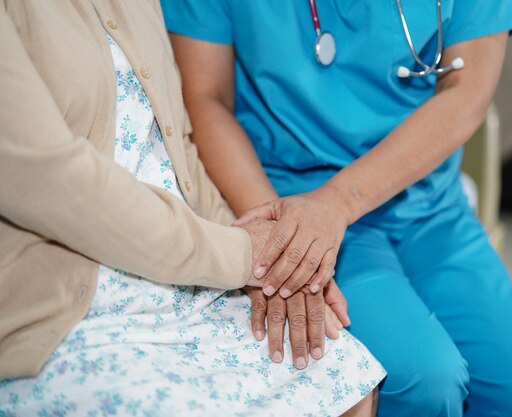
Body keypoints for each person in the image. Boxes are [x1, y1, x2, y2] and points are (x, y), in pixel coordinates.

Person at [162, 0, 512, 415]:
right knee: (423, 380)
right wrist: (284, 238)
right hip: (290, 197)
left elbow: (468, 92)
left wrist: (339, 202)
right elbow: (206, 98)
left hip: (427, 203)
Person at [0, 2, 385, 416]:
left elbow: (176, 149)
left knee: (341, 370)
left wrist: (280, 263)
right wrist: (243, 254)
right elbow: (50, 178)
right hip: (65, 303)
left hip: (188, 276)